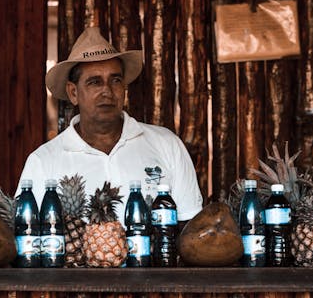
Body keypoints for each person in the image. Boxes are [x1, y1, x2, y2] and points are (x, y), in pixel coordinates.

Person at [15, 27, 203, 225]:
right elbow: (27, 237)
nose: (107, 91)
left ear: (124, 88)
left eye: (115, 80)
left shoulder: (166, 144)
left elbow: (189, 227)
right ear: (73, 93)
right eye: (94, 82)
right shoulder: (44, 161)